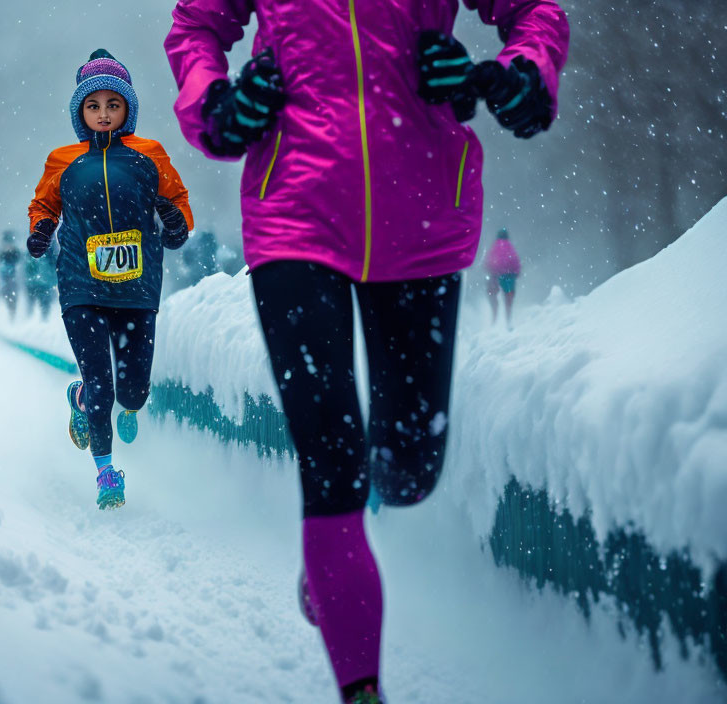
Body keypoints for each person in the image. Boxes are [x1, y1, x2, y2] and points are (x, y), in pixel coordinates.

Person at [165, 2, 568, 701]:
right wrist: (217, 101)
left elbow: (535, 12)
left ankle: (337, 542)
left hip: (422, 216)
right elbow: (196, 27)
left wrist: (510, 76)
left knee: (409, 469)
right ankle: (361, 685)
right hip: (293, 212)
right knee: (332, 458)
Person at [27, 49, 193, 510]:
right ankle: (106, 473)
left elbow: (178, 206)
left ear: (127, 110)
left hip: (138, 289)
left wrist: (175, 222)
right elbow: (44, 206)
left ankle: (79, 398)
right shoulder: (63, 160)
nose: (103, 114)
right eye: (93, 105)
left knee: (134, 390)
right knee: (102, 381)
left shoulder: (149, 155)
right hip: (81, 284)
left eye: (112, 105)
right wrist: (41, 229)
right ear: (80, 112)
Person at [484, 228, 521, 328]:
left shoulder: (494, 247)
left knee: (493, 297)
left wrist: (491, 271)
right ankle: (508, 320)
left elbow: (488, 262)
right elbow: (516, 261)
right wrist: (516, 273)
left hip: (495, 275)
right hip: (509, 275)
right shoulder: (510, 247)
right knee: (508, 298)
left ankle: (494, 319)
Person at [24, 245, 58, 320]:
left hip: (36, 282)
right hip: (44, 282)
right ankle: (42, 320)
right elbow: (54, 265)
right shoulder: (49, 251)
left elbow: (27, 268)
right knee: (44, 304)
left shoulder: (31, 251)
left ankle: (34, 320)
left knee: (34, 303)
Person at [0, 231, 21, 321]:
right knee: (11, 295)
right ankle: (12, 313)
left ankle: (11, 313)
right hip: (11, 276)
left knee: (9, 294)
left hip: (8, 276)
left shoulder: (3, 250)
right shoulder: (14, 250)